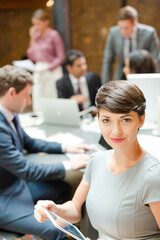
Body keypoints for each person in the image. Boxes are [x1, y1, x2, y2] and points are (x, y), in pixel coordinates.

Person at [34, 80, 160, 240]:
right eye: (106, 120)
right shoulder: (96, 161)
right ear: (98, 119)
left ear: (141, 120)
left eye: (126, 120)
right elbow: (74, 209)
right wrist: (54, 210)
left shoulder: (153, 176)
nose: (116, 131)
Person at [0, 65, 91, 240]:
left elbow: (30, 142)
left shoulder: (9, 113)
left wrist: (65, 147)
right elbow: (27, 171)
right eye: (26, 95)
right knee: (57, 230)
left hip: (16, 185)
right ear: (11, 93)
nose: (29, 101)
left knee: (62, 189)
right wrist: (68, 164)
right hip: (5, 198)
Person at [102, 5, 159, 84]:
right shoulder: (113, 33)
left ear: (134, 23)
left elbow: (155, 60)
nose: (123, 31)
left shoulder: (150, 34)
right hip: (122, 76)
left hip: (142, 76)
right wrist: (104, 85)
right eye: (121, 28)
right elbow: (108, 60)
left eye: (126, 28)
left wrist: (155, 82)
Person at [27, 8, 65, 112]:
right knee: (38, 96)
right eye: (34, 24)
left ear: (46, 22)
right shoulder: (37, 36)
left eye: (38, 24)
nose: (36, 27)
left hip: (52, 70)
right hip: (39, 70)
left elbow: (61, 57)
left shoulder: (54, 35)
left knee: (51, 97)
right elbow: (31, 56)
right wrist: (32, 38)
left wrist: (49, 67)